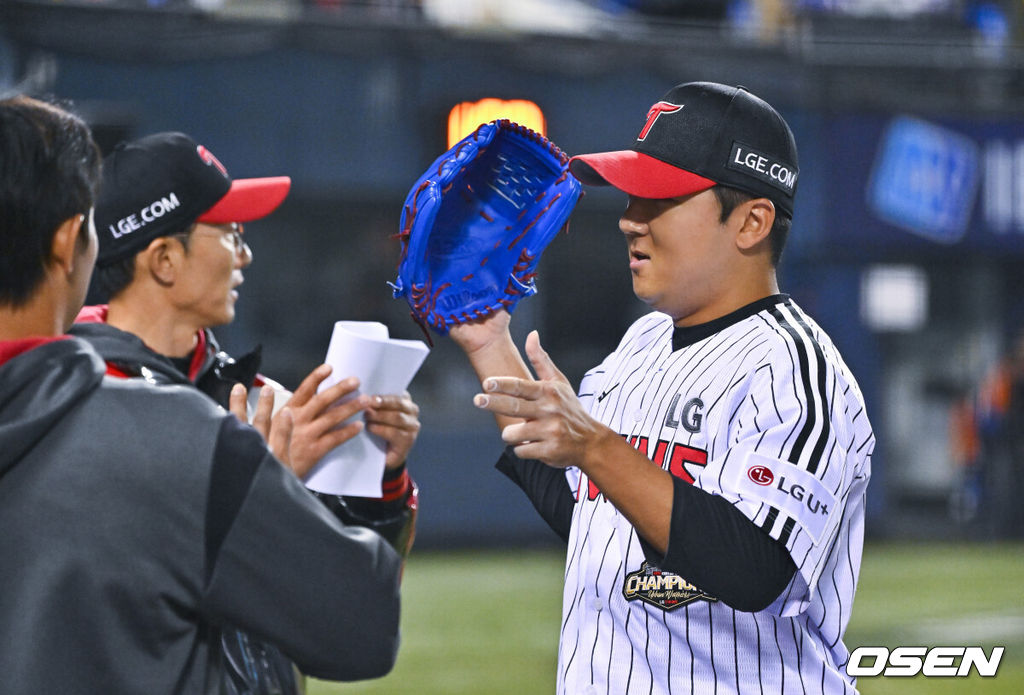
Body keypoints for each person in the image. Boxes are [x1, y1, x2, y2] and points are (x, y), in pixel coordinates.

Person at [449, 82, 873, 693]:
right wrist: (490, 341)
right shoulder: (642, 344)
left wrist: (594, 445)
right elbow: (594, 522)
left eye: (660, 199)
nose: (628, 218)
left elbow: (757, 570)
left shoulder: (795, 370)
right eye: (631, 195)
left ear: (751, 221)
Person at [0, 95, 403, 694]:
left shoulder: (208, 407)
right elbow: (362, 626)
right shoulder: (174, 437)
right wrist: (262, 490)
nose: (244, 253)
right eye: (229, 232)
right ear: (66, 244)